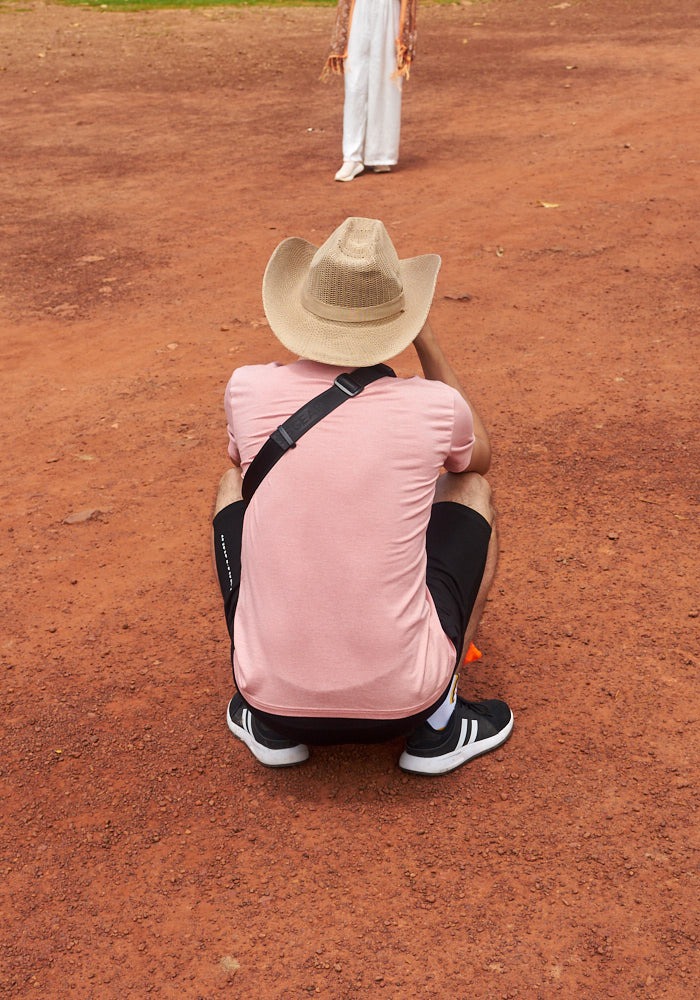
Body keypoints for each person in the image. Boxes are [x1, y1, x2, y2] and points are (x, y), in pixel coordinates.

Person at [211, 217, 512, 775]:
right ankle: (439, 720)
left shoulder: (246, 387)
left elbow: (241, 463)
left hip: (267, 697)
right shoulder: (433, 405)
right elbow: (480, 458)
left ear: (300, 312)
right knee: (471, 489)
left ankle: (271, 724)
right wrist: (427, 339)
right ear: (402, 320)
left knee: (233, 485)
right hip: (404, 701)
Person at [322, 0, 417, 182]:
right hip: (360, 8)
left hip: (389, 8)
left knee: (386, 78)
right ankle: (352, 157)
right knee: (355, 82)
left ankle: (381, 153)